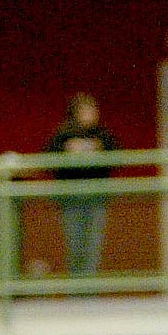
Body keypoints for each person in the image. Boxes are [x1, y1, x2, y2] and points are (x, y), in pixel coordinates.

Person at [47, 93, 120, 277]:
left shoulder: (103, 135)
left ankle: (90, 291)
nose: (91, 114)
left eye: (93, 110)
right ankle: (76, 290)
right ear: (76, 113)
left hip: (97, 196)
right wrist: (69, 148)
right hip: (70, 198)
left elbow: (117, 155)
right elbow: (49, 157)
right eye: (86, 110)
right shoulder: (64, 134)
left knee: (93, 245)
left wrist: (98, 147)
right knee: (75, 244)